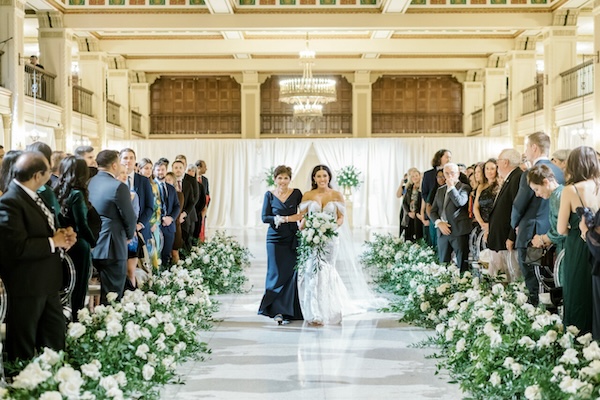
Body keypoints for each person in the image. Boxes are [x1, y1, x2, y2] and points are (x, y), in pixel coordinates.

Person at [0, 152, 76, 362]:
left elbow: (45, 230)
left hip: (48, 282)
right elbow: (16, 248)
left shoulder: (34, 196)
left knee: (55, 339)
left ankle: (53, 384)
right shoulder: (10, 201)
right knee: (23, 347)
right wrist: (54, 242)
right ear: (37, 175)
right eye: (49, 171)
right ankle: (24, 388)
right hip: (27, 284)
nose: (51, 174)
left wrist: (63, 236)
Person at [511, 132, 564, 305]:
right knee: (552, 276)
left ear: (534, 147)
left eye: (527, 147)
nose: (526, 151)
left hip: (532, 231)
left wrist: (514, 225)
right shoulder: (560, 171)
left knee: (532, 276)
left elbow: (520, 204)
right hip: (556, 228)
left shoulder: (532, 173)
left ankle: (536, 310)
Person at [557, 146, 600, 335]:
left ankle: (578, 339)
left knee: (577, 293)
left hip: (577, 247)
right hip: (597, 246)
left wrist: (574, 229)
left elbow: (560, 228)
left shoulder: (571, 190)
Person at [88, 150, 136, 305]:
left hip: (93, 243)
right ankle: (110, 326)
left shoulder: (89, 182)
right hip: (113, 245)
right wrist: (129, 236)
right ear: (114, 165)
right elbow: (129, 217)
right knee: (113, 294)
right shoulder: (118, 187)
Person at [54, 156, 98, 320]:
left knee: (65, 287)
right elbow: (81, 224)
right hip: (79, 246)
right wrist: (92, 242)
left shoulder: (56, 190)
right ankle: (76, 320)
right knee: (78, 288)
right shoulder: (77, 194)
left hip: (63, 244)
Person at [258, 165, 303, 325]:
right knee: (275, 273)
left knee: (291, 273)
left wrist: (295, 220)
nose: (283, 181)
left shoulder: (296, 193)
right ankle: (275, 309)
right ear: (275, 179)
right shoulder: (269, 195)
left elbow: (303, 212)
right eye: (280, 178)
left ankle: (289, 310)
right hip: (274, 238)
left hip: (292, 237)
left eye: (286, 178)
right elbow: (265, 217)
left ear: (290, 179)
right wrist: (283, 219)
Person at [487, 149, 523, 280]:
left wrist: (511, 236)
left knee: (511, 275)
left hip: (506, 237)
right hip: (501, 236)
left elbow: (517, 209)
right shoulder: (510, 178)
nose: (497, 165)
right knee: (501, 276)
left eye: (498, 161)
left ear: (506, 162)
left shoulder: (517, 177)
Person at [429, 163, 472, 273]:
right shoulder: (440, 190)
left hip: (458, 231)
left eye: (452, 173)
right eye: (446, 173)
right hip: (443, 231)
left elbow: (460, 202)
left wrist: (451, 187)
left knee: (462, 264)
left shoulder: (464, 187)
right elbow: (433, 211)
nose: (449, 176)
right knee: (444, 264)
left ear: (458, 173)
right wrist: (439, 223)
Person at [528, 165, 565, 282]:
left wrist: (543, 239)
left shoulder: (557, 197)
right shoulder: (560, 193)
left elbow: (561, 229)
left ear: (545, 182)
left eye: (537, 189)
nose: (537, 194)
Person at [421, 149, 451, 246]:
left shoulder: (452, 172)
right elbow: (424, 192)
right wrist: (432, 204)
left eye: (450, 157)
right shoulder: (428, 174)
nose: (449, 159)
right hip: (433, 210)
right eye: (447, 157)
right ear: (439, 158)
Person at [138, 158, 163, 270]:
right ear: (140, 169)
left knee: (154, 249)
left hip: (153, 222)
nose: (149, 171)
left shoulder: (155, 186)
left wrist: (155, 222)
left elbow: (157, 206)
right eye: (146, 168)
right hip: (142, 220)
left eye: (150, 168)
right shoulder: (137, 183)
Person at [154, 162, 180, 268]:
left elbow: (177, 206)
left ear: (166, 170)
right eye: (158, 170)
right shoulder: (150, 186)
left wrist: (171, 218)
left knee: (166, 255)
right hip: (155, 225)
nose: (160, 172)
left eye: (163, 170)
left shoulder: (171, 188)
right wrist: (161, 218)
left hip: (169, 226)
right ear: (154, 171)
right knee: (155, 255)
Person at [473, 159, 499, 235]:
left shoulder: (500, 186)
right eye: (487, 169)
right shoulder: (481, 187)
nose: (489, 171)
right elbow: (475, 207)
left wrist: (490, 225)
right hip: (481, 224)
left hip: (495, 224)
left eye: (492, 169)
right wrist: (482, 223)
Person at [165, 171, 185, 264]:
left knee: (174, 252)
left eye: (169, 179)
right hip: (164, 225)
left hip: (174, 226)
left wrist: (170, 218)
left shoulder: (178, 194)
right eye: (166, 179)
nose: (167, 181)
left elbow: (177, 209)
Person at [401, 168, 423, 242]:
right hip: (409, 215)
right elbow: (404, 203)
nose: (415, 178)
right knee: (408, 237)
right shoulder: (409, 188)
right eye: (413, 176)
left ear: (420, 176)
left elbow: (422, 202)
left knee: (418, 236)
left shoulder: (422, 187)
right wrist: (408, 212)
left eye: (416, 175)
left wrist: (416, 212)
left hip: (418, 215)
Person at [196, 159, 210, 241]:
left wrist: (205, 207)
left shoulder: (205, 180)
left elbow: (207, 194)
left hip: (203, 209)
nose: (206, 168)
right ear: (199, 167)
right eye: (205, 166)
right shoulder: (192, 179)